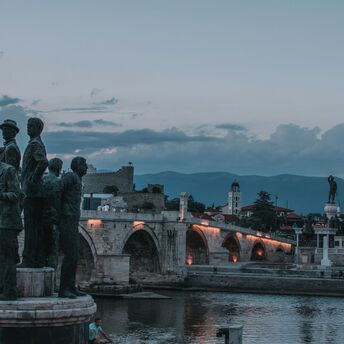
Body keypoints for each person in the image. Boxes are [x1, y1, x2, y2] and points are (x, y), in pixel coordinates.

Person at [20, 117, 48, 268]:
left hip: (32, 193)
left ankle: (28, 260)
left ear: (38, 128)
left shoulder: (35, 143)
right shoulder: (36, 143)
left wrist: (32, 180)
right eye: (27, 125)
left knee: (31, 228)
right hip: (35, 193)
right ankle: (36, 260)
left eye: (31, 126)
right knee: (35, 228)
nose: (28, 128)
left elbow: (43, 162)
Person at [59, 157, 88, 298]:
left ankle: (71, 287)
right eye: (84, 164)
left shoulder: (77, 179)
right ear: (77, 165)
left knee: (75, 255)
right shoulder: (70, 177)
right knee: (70, 255)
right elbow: (57, 191)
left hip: (72, 220)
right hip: (66, 219)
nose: (86, 167)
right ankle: (64, 289)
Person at [0, 161, 23, 300]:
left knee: (8, 258)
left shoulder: (9, 170)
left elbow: (16, 195)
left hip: (7, 222)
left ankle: (10, 291)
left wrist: (1, 195)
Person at [42, 158, 63, 270]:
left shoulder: (42, 180)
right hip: (53, 221)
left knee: (41, 249)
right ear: (58, 168)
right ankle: (52, 280)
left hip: (41, 220)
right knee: (52, 251)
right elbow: (58, 202)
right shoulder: (58, 182)